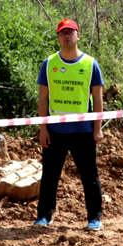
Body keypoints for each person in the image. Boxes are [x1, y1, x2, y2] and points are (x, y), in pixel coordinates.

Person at [35, 18, 105, 230]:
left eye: (70, 32)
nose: (66, 35)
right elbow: (43, 98)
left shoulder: (90, 64)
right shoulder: (49, 64)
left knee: (90, 176)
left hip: (83, 130)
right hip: (55, 131)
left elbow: (98, 98)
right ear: (58, 38)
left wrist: (98, 128)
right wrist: (43, 128)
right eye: (62, 33)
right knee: (49, 176)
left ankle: (94, 218)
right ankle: (44, 216)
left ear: (78, 36)